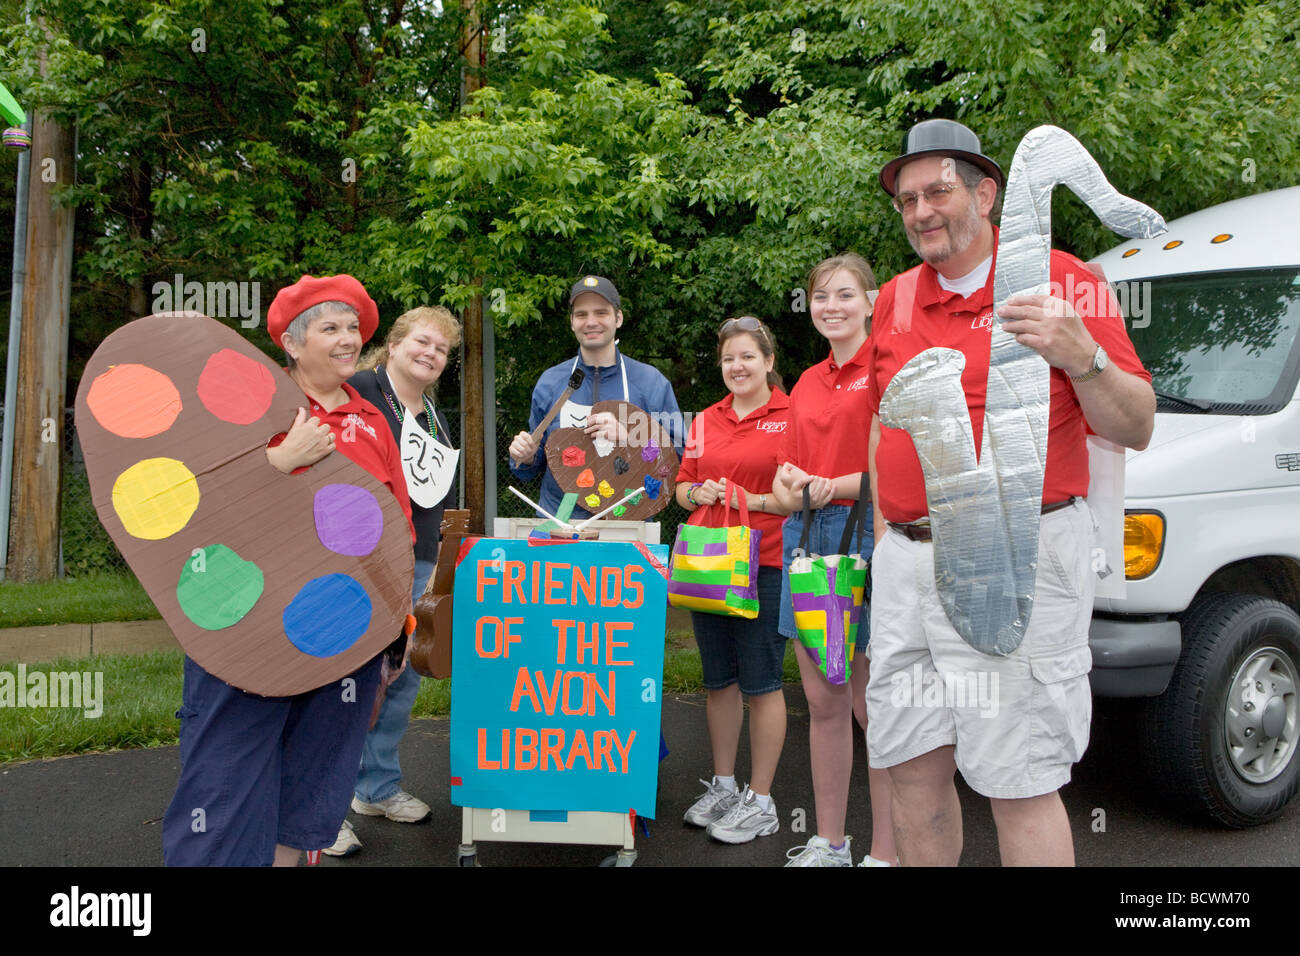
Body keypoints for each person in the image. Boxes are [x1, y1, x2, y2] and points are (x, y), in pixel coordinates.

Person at [864, 119, 1155, 865]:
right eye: (906, 199)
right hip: (907, 566)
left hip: (1018, 557)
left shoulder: (1067, 283)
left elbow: (1138, 423)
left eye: (938, 191)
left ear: (987, 192)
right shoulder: (892, 299)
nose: (920, 211)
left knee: (1018, 778)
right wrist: (881, 542)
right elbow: (880, 428)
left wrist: (1081, 354)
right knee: (912, 767)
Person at [162, 274, 414, 867]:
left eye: (353, 327)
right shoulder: (248, 406)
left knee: (315, 781)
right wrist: (275, 462)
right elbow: (193, 504)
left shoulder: (373, 421)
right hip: (245, 627)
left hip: (343, 629)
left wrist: (396, 622)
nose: (349, 339)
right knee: (224, 776)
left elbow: (395, 524)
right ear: (293, 345)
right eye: (331, 328)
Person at [769, 254, 898, 867]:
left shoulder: (887, 365)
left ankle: (886, 851)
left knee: (875, 707)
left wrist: (829, 483)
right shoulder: (806, 381)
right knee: (824, 702)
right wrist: (795, 481)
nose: (832, 307)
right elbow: (791, 471)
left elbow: (898, 464)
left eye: (845, 295)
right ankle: (830, 843)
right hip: (807, 538)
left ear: (871, 301)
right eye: (821, 296)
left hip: (868, 538)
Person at [324, 306, 462, 856]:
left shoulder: (432, 413)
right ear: (396, 343)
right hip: (361, 561)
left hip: (421, 561)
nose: (430, 354)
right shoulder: (357, 390)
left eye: (442, 350)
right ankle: (322, 809)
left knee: (400, 680)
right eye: (422, 342)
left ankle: (375, 788)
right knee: (348, 684)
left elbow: (438, 493)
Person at [674, 316, 792, 844]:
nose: (736, 366)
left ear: (768, 361)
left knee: (762, 683)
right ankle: (724, 785)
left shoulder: (793, 414)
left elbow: (797, 494)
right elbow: (681, 485)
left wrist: (745, 498)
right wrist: (696, 495)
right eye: (728, 359)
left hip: (764, 561)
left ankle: (761, 801)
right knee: (717, 679)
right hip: (709, 564)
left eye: (747, 356)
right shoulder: (706, 419)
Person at [507, 275, 683, 520]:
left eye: (601, 313)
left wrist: (630, 440)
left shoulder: (650, 382)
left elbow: (678, 459)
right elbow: (532, 467)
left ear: (618, 318)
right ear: (572, 322)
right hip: (559, 525)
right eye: (581, 314)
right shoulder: (550, 382)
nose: (591, 322)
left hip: (628, 526)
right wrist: (525, 457)